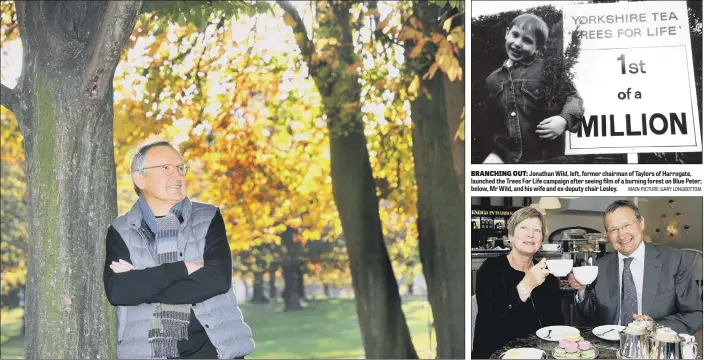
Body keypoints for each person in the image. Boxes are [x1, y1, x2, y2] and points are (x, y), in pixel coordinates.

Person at [103, 141, 254, 359]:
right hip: (152, 353)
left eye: (181, 168)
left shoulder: (208, 217)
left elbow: (217, 280)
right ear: (140, 179)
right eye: (166, 168)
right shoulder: (120, 230)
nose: (178, 175)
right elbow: (118, 291)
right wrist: (182, 268)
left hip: (215, 349)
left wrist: (143, 285)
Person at [569, 200, 702, 335]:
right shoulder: (600, 266)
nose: (621, 235)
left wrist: (655, 327)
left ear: (641, 223)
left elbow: (695, 315)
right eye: (614, 229)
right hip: (611, 346)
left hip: (655, 346)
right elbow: (592, 317)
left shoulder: (675, 261)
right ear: (607, 234)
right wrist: (582, 290)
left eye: (626, 225)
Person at [482, 13, 584, 164]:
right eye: (515, 35)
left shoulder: (548, 70)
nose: (517, 43)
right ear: (506, 33)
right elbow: (493, 125)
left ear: (538, 48)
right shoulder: (492, 80)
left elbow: (574, 98)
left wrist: (563, 120)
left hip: (545, 158)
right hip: (507, 160)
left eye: (527, 41)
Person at [472, 207, 564, 358]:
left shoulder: (547, 274)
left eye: (537, 230)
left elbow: (556, 323)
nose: (530, 234)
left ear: (541, 239)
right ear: (511, 236)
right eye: (523, 228)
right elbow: (490, 323)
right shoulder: (491, 270)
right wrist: (526, 286)